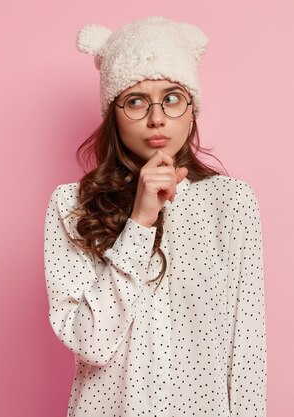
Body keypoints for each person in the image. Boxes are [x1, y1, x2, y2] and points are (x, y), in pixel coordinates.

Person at [43, 16, 267, 417]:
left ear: (192, 108)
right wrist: (140, 221)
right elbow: (92, 343)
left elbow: (246, 351)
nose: (157, 117)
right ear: (113, 111)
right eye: (135, 100)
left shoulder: (231, 203)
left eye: (172, 97)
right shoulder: (71, 205)